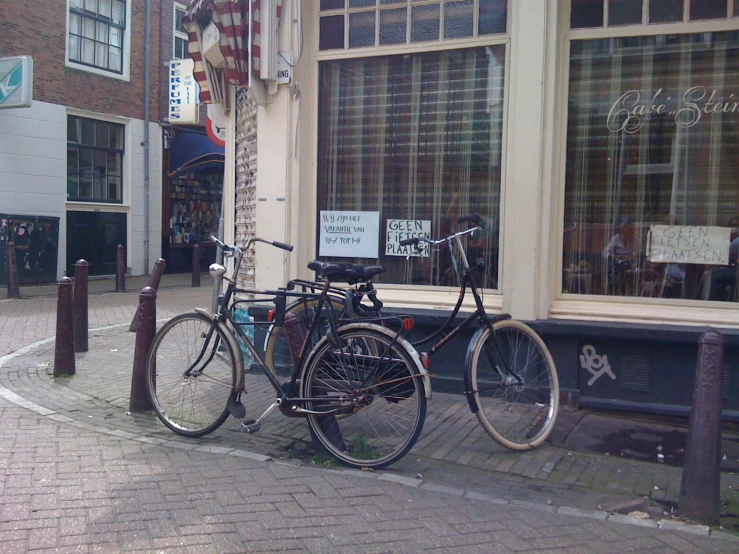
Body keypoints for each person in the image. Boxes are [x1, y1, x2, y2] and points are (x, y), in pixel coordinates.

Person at [603, 219, 637, 294]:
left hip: (630, 264)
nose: (626, 235)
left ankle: (625, 291)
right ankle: (617, 290)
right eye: (624, 233)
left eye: (628, 233)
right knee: (617, 269)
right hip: (617, 263)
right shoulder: (615, 239)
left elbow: (637, 254)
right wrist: (614, 256)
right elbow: (605, 253)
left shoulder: (634, 240)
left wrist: (630, 257)